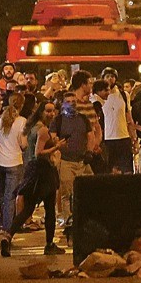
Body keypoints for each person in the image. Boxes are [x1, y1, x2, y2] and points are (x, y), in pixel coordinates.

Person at [6, 101, 67, 256]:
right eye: (47, 111)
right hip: (43, 171)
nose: (51, 114)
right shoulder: (43, 130)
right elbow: (39, 152)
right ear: (40, 112)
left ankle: (8, 237)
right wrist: (56, 146)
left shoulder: (32, 128)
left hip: (32, 170)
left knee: (28, 209)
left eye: (53, 111)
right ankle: (49, 244)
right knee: (49, 210)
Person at [51, 91, 98, 229]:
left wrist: (89, 151)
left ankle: (85, 218)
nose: (72, 104)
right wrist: (58, 144)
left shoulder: (83, 119)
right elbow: (53, 137)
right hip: (66, 161)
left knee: (89, 189)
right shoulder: (58, 120)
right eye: (68, 102)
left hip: (82, 161)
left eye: (74, 101)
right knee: (67, 192)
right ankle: (68, 220)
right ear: (63, 104)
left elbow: (90, 136)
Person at [0, 92, 28, 256]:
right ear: (21, 105)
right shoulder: (22, 122)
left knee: (2, 197)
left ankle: (3, 223)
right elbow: (23, 144)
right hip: (14, 162)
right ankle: (7, 231)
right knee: (10, 197)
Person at [100, 67, 138, 174]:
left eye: (112, 76)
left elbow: (128, 116)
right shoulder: (98, 97)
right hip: (107, 140)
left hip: (123, 138)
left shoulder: (124, 95)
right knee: (110, 171)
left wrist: (134, 137)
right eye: (107, 76)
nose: (110, 79)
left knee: (127, 171)